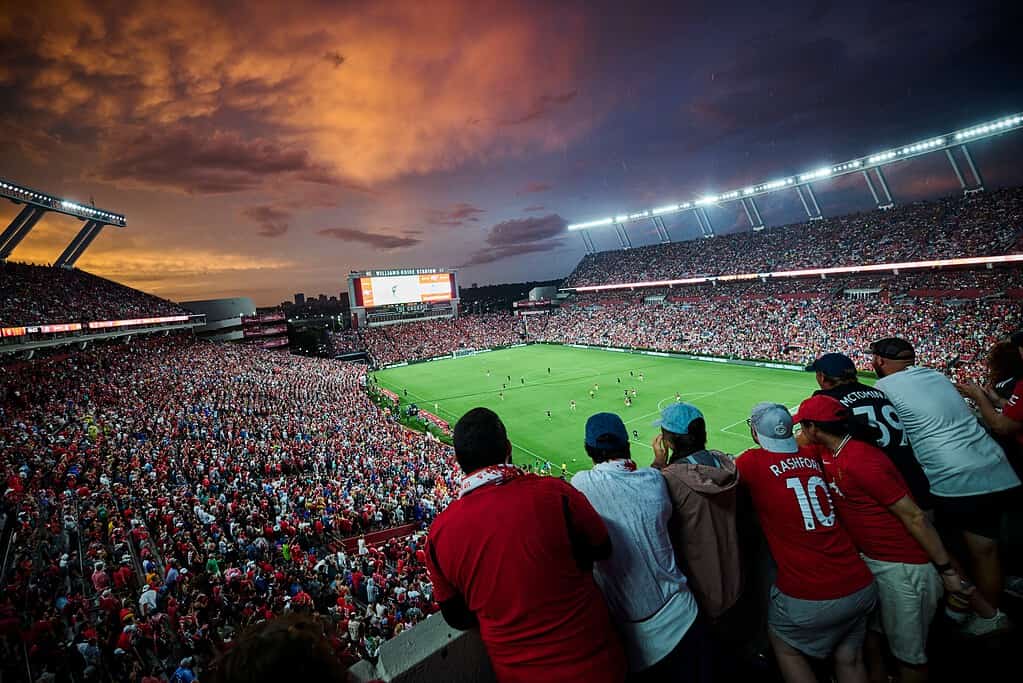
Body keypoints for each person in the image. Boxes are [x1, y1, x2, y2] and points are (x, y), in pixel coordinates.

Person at [425, 408, 626, 682]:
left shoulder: (438, 535)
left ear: (458, 459)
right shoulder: (557, 493)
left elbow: (457, 617)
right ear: (508, 448)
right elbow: (602, 548)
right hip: (598, 664)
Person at [793, 395, 972, 682]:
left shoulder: (862, 459)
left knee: (908, 657)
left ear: (814, 428)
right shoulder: (831, 451)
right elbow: (794, 450)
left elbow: (914, 517)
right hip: (874, 563)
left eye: (801, 427)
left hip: (903, 568)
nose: (799, 433)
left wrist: (947, 571)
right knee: (875, 642)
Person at [871, 337, 1019, 631]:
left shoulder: (883, 388)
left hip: (954, 475)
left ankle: (974, 608)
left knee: (933, 540)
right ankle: (988, 615)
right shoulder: (935, 374)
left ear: (879, 361)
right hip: (994, 464)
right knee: (986, 549)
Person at [736, 402, 877, 683]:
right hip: (860, 582)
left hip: (810, 594)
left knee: (786, 648)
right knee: (850, 657)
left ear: (754, 433)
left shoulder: (751, 462)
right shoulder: (813, 455)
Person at [572, 413, 707, 681]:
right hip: (686, 615)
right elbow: (648, 477)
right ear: (627, 444)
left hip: (641, 640)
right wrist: (659, 460)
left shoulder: (581, 485)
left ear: (589, 450)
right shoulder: (654, 480)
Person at [650, 403, 741, 621]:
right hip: (735, 574)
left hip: (699, 588)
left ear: (669, 440)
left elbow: (647, 508)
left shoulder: (669, 479)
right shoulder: (725, 464)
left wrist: (657, 465)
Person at [805, 353, 930, 508]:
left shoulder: (825, 399)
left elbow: (809, 438)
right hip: (915, 477)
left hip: (880, 482)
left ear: (822, 377)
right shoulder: (877, 393)